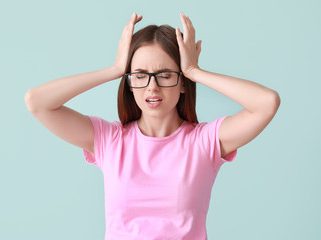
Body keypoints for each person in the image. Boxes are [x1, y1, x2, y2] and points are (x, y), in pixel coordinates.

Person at [25, 12, 280, 240]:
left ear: (182, 84)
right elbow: (37, 102)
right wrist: (114, 69)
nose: (152, 87)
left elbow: (267, 103)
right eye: (140, 75)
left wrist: (194, 70)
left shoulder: (205, 142)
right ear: (129, 82)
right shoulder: (110, 140)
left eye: (165, 75)